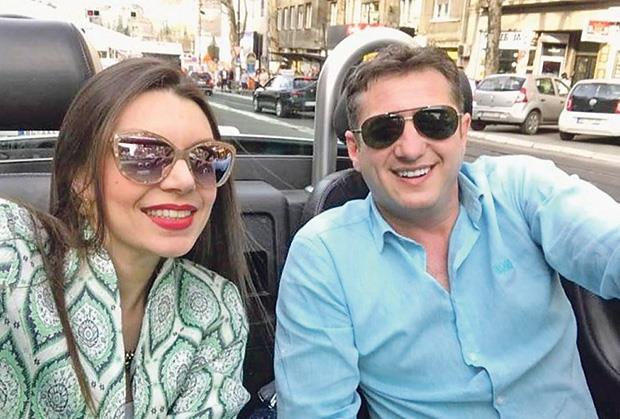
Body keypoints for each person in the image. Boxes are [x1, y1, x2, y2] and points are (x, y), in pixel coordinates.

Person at [274, 44, 620, 418]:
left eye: (434, 121)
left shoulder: (523, 189)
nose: (410, 148)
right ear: (355, 149)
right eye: (384, 130)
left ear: (463, 131)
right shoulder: (323, 255)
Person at [0, 57, 254, 417]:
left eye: (205, 159)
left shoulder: (215, 308)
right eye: (144, 154)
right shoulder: (13, 258)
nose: (184, 181)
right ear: (80, 178)